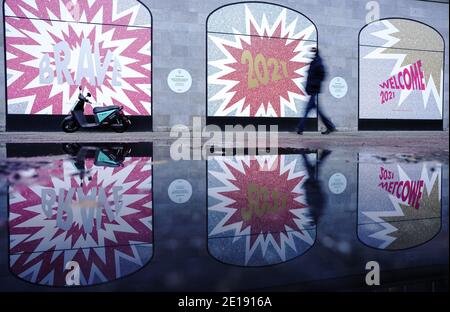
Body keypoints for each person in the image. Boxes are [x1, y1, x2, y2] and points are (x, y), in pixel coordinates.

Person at [297, 47, 336, 135]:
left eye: (313, 51)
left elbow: (322, 75)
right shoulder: (314, 62)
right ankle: (330, 126)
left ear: (316, 52)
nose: (311, 53)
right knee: (318, 110)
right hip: (312, 89)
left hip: (314, 89)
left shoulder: (318, 62)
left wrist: (315, 84)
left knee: (307, 109)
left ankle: (300, 128)